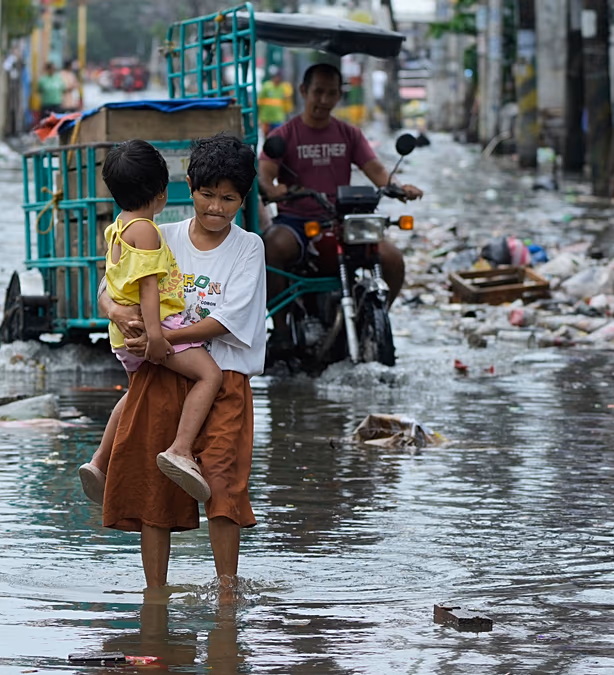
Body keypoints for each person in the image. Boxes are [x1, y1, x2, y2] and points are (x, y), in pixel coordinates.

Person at [96, 134, 265, 598]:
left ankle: (226, 591)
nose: (216, 207)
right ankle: (155, 594)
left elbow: (226, 320)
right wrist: (117, 314)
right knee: (156, 491)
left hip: (225, 377)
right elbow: (108, 286)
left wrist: (161, 337)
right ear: (188, 187)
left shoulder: (248, 248)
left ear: (244, 199)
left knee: (223, 486)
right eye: (207, 195)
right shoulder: (159, 233)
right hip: (162, 374)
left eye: (228, 199)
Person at [77, 140, 223, 505]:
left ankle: (99, 462)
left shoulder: (117, 227)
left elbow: (113, 281)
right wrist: (158, 339)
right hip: (155, 329)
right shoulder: (145, 230)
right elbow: (148, 288)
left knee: (134, 395)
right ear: (161, 192)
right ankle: (181, 449)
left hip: (122, 335)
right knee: (209, 376)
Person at [258, 63, 422, 309]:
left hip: (342, 221)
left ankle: (378, 320)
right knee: (272, 248)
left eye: (331, 93)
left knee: (393, 259)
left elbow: (376, 170)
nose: (324, 100)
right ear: (303, 91)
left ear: (339, 95)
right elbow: (265, 173)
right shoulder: (284, 135)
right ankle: (280, 326)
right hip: (297, 222)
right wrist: (272, 190)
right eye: (318, 92)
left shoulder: (349, 133)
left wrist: (399, 188)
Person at [258, 67, 293, 135]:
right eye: (276, 76)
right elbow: (260, 101)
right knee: (267, 135)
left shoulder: (283, 87)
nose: (277, 79)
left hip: (278, 118)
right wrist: (259, 118)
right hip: (266, 118)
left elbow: (288, 99)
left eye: (279, 77)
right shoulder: (267, 86)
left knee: (278, 135)